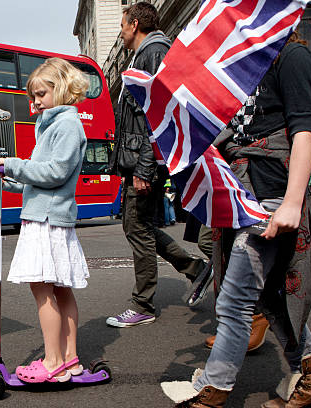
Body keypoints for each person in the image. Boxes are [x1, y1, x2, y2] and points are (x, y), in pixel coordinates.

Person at [161, 34, 311, 407]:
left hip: (271, 193)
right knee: (270, 298)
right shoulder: (243, 63)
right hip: (240, 195)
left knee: (235, 300)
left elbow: (305, 132)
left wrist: (291, 203)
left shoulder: (292, 54)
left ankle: (213, 391)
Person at [0, 57, 89, 383]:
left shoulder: (66, 125)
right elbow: (40, 178)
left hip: (47, 220)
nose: (34, 102)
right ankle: (70, 360)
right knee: (60, 291)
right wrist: (9, 179)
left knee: (43, 289)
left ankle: (52, 361)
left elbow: (56, 172)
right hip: (50, 215)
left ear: (60, 89)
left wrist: (14, 166)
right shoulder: (54, 124)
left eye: (40, 94)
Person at [107, 1, 206, 328]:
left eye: (122, 25)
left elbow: (158, 116)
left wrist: (144, 169)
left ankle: (143, 304)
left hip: (143, 163)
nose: (121, 32)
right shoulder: (145, 54)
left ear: (134, 23)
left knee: (138, 228)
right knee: (139, 227)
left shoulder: (154, 53)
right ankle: (196, 270)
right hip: (138, 161)